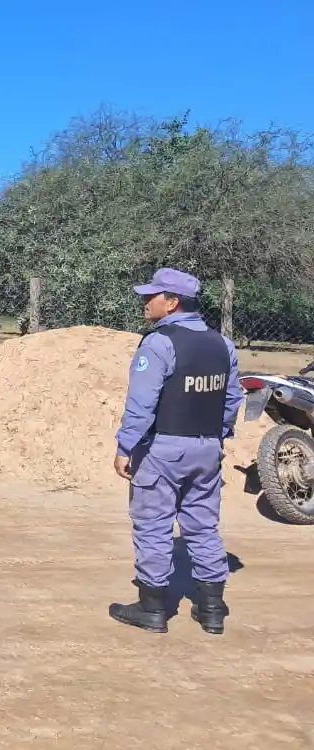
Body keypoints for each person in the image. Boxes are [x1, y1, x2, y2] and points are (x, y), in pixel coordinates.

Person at [110, 267, 243, 635]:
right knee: (202, 527)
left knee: (153, 526)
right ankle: (211, 609)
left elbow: (141, 405)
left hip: (163, 450)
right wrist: (216, 438)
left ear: (171, 302)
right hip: (207, 451)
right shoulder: (223, 345)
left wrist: (125, 446)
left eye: (151, 296)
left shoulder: (158, 344)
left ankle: (152, 608)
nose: (144, 301)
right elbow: (232, 399)